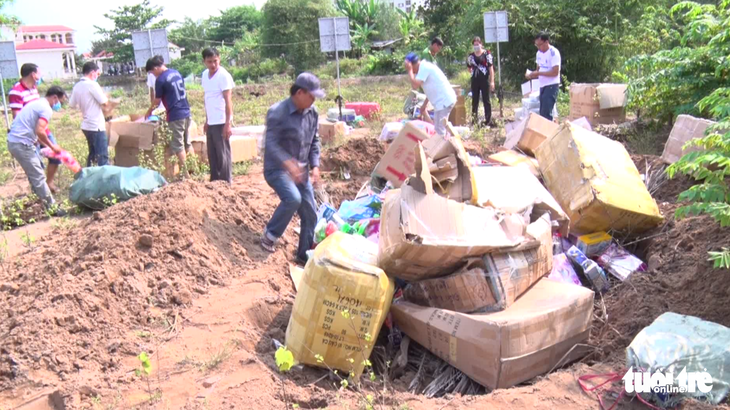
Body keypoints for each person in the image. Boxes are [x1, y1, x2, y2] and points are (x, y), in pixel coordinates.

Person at [260, 73, 323, 266]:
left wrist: (315, 166)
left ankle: (303, 255)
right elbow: (269, 143)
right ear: (299, 92)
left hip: (301, 172)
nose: (313, 101)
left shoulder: (312, 113)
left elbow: (314, 141)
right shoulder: (277, 112)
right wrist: (288, 164)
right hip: (277, 170)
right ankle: (269, 235)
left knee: (310, 212)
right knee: (293, 199)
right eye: (311, 96)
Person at [7, 86, 68, 215]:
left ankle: (40, 204)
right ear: (55, 97)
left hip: (19, 142)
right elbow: (40, 130)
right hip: (21, 144)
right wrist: (52, 146)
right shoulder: (46, 108)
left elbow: (35, 130)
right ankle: (52, 209)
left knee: (36, 172)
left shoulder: (38, 103)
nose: (59, 106)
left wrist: (44, 146)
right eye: (60, 102)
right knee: (38, 176)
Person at [9, 63, 63, 193]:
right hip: (30, 135)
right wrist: (35, 136)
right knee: (36, 165)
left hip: (43, 130)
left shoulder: (34, 88)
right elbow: (18, 116)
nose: (40, 76)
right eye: (39, 73)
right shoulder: (16, 91)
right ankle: (38, 193)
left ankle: (49, 183)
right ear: (33, 74)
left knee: (56, 156)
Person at [145, 55, 192, 168]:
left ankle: (186, 174)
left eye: (151, 72)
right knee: (187, 143)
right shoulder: (176, 73)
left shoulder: (160, 80)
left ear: (156, 68)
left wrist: (149, 112)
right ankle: (194, 169)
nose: (153, 75)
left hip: (175, 115)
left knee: (178, 145)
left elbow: (157, 101)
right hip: (186, 111)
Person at [69, 62, 113, 167]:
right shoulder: (92, 84)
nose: (97, 76)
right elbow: (104, 102)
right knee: (102, 156)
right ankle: (104, 179)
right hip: (96, 125)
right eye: (97, 74)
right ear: (93, 72)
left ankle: (90, 176)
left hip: (86, 125)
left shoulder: (77, 86)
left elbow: (71, 104)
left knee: (92, 155)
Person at [201, 48, 235, 182]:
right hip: (211, 121)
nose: (213, 65)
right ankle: (215, 183)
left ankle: (226, 182)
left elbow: (228, 101)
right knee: (212, 154)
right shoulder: (204, 75)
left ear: (219, 59)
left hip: (221, 120)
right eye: (209, 62)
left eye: (215, 61)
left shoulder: (224, 75)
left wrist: (228, 123)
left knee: (223, 154)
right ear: (204, 62)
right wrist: (207, 120)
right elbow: (207, 98)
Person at [404, 52, 456, 136]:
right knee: (439, 127)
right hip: (442, 102)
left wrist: (409, 71)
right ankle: (448, 143)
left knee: (439, 130)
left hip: (444, 101)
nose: (411, 71)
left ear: (412, 65)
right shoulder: (422, 69)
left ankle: (445, 147)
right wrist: (424, 105)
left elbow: (414, 86)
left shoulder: (424, 68)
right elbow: (430, 89)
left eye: (409, 67)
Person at [526, 32, 561, 121]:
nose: (538, 47)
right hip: (542, 86)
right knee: (542, 112)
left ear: (546, 42)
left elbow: (555, 72)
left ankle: (549, 132)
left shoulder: (554, 53)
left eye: (540, 45)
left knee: (546, 113)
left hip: (551, 85)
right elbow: (539, 69)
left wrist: (539, 74)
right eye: (536, 45)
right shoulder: (539, 53)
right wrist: (531, 74)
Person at [467, 37, 495, 126]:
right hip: (475, 80)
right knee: (474, 101)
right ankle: (474, 120)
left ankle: (488, 120)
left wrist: (492, 81)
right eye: (474, 45)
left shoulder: (487, 54)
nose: (476, 46)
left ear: (481, 44)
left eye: (477, 44)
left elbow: (491, 69)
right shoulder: (471, 56)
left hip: (484, 80)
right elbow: (469, 67)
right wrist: (473, 72)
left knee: (486, 100)